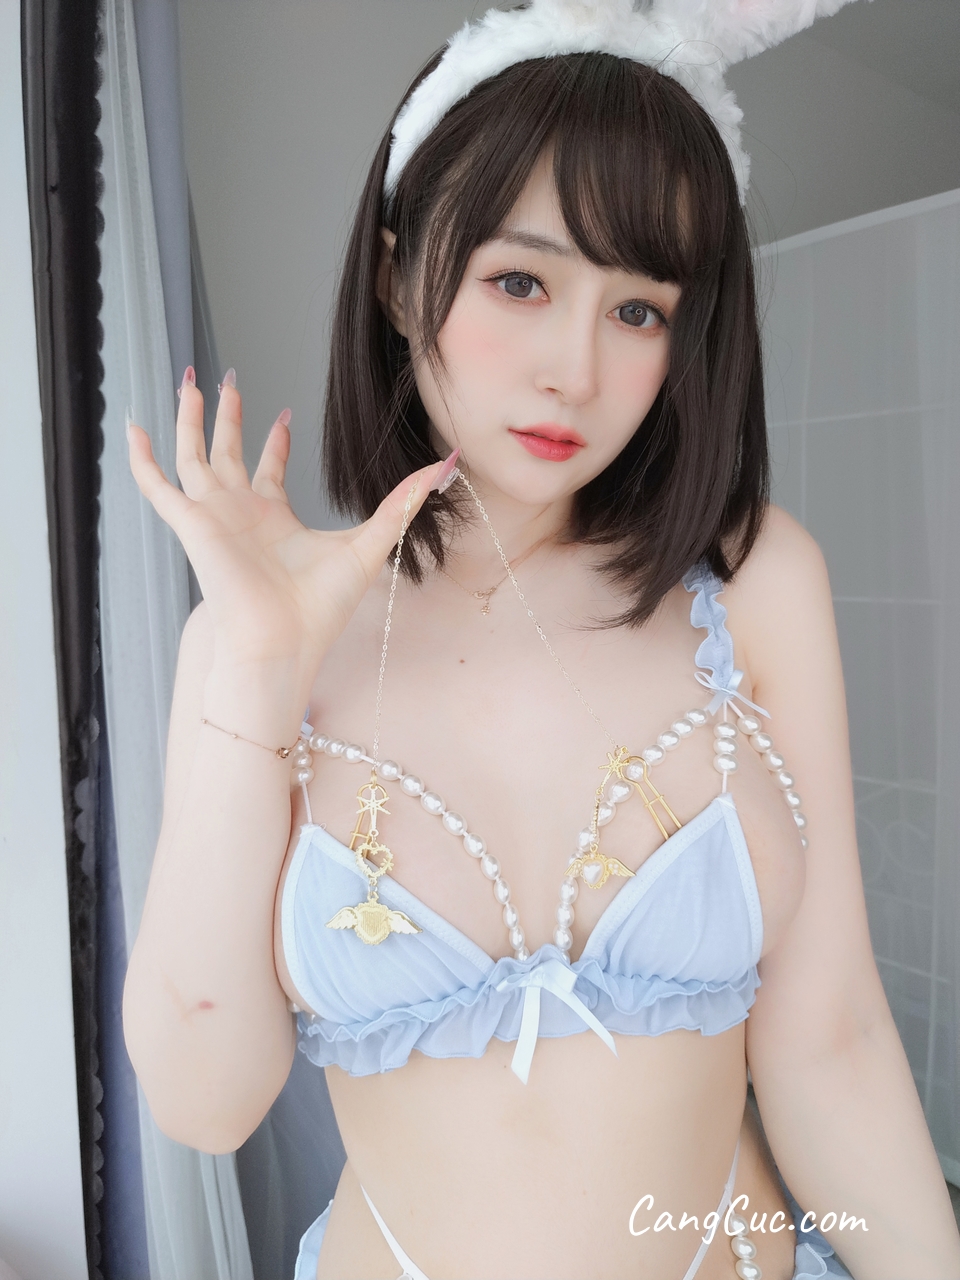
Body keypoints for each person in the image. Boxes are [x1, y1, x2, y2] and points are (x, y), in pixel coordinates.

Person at [122, 2, 960, 1276]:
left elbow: (831, 1038)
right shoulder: (255, 644)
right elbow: (204, 1101)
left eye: (639, 309)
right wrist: (254, 671)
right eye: (520, 282)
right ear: (400, 277)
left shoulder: (753, 579)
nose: (576, 367)